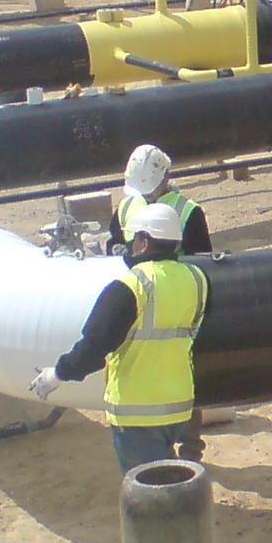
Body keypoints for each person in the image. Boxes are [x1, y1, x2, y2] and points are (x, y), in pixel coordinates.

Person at [31, 203, 210, 475]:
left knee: (151, 489)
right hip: (180, 406)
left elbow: (94, 347)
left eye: (134, 238)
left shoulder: (130, 286)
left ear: (144, 241)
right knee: (170, 480)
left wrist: (56, 374)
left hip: (139, 414)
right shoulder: (197, 279)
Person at [106, 144, 212, 255]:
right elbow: (114, 242)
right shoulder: (126, 206)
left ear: (166, 177)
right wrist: (116, 250)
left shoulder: (189, 211)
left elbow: (201, 258)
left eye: (150, 189)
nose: (145, 194)